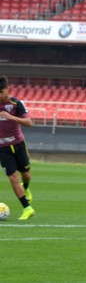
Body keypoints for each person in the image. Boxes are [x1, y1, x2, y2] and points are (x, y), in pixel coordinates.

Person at [0, 75, 35, 220]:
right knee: (13, 177)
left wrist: (10, 117)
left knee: (25, 175)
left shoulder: (16, 104)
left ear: (7, 90)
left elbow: (29, 122)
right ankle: (27, 208)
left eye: (1, 92)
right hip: (2, 148)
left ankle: (26, 188)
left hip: (19, 145)